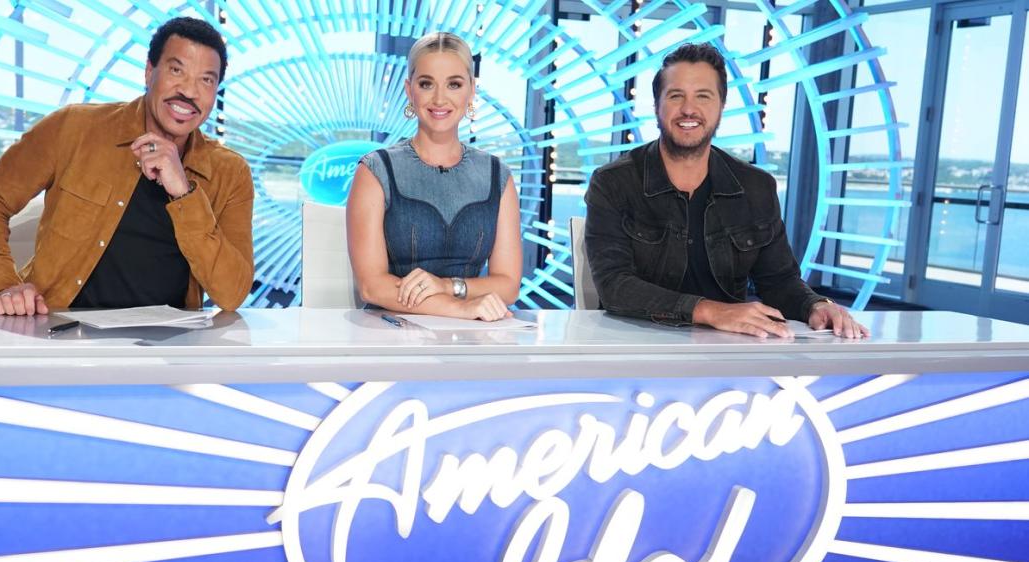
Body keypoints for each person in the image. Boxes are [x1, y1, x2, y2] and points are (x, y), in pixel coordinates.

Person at [0, 17, 253, 316]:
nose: (189, 92)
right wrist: (2, 282)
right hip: (61, 333)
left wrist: (184, 193)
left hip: (171, 349)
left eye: (206, 80)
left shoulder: (230, 172)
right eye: (176, 70)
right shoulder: (74, 128)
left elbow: (232, 294)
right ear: (149, 71)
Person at [584, 43, 868, 339]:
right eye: (675, 95)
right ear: (657, 106)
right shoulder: (614, 182)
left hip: (730, 351)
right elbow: (615, 286)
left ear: (721, 106)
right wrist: (711, 311)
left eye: (703, 96)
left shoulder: (756, 187)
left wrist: (816, 305)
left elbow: (778, 281)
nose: (688, 109)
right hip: (635, 345)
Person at [346, 32, 522, 322]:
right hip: (389, 336)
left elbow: (508, 286)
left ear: (471, 91)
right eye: (426, 84)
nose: (440, 98)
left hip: (475, 336)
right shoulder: (376, 169)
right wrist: (461, 306)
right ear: (409, 90)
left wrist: (446, 286)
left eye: (454, 84)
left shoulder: (496, 174)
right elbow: (372, 286)